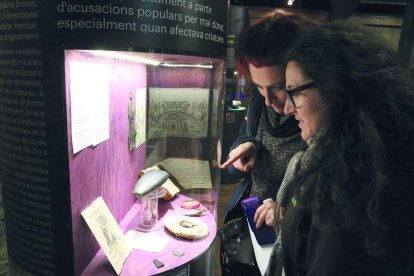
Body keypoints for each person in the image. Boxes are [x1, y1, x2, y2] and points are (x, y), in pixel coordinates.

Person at [268, 21, 414, 275]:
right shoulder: (364, 156)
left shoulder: (347, 185)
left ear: (335, 88)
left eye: (294, 92)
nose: (288, 108)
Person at [219, 11, 317, 275]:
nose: (269, 101)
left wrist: (285, 211)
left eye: (279, 87)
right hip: (250, 218)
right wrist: (248, 145)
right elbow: (231, 171)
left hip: (288, 236)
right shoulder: (260, 106)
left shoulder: (313, 118)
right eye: (259, 88)